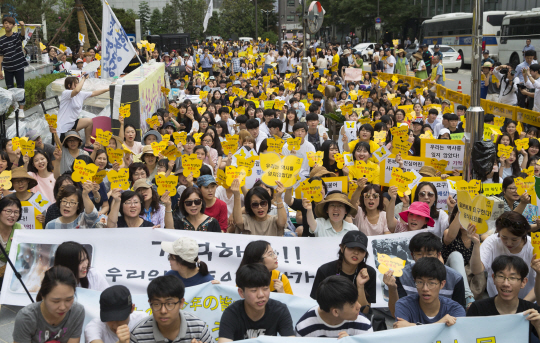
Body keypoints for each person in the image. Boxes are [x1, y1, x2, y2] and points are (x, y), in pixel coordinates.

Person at [384, 232, 466, 317]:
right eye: (419, 254)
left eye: (429, 254)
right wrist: (392, 288)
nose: (424, 258)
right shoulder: (402, 275)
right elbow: (397, 314)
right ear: (412, 256)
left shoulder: (455, 278)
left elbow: (459, 312)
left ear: (438, 254)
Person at [467, 255, 540, 342]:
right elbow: (466, 337)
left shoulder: (531, 311)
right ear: (493, 278)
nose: (506, 283)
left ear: (523, 282)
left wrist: (538, 326)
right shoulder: (478, 308)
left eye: (512, 278)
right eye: (501, 276)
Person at [217, 263, 294, 342]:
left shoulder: (279, 310)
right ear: (241, 292)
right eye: (254, 290)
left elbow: (291, 341)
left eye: (265, 288)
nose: (261, 295)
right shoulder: (232, 313)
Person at [470, 211, 536, 300]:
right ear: (498, 231)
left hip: (527, 302)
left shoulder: (533, 246)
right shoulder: (491, 242)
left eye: (514, 239)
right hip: (496, 301)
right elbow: (476, 270)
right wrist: (476, 245)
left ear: (523, 235)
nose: (509, 243)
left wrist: (522, 305)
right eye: (504, 237)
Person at [130, 275, 213, 343]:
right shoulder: (138, 334)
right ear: (150, 304)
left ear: (181, 303)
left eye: (169, 304)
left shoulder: (198, 328)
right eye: (157, 304)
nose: (163, 311)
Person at [13, 266, 85, 343]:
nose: (63, 307)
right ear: (43, 296)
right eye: (56, 301)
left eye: (69, 300)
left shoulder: (77, 312)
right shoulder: (26, 318)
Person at [393, 257, 466, 328]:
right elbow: (402, 335)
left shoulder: (455, 309)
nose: (425, 289)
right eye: (420, 282)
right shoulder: (404, 305)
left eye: (431, 283)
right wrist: (440, 324)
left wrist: (411, 326)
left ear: (442, 284)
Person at [310, 231, 376, 307]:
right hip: (329, 317)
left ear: (365, 253)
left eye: (361, 250)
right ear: (341, 248)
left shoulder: (369, 273)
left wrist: (360, 286)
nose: (356, 252)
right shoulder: (325, 270)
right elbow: (316, 306)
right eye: (351, 248)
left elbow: (365, 312)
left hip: (357, 317)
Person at [296, 275, 372, 337]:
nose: (359, 306)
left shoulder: (363, 324)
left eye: (356, 300)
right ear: (335, 312)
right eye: (352, 305)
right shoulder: (304, 328)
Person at [57, 76, 109, 149]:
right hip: (63, 127)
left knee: (89, 121)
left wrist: (108, 89)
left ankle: (88, 143)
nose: (78, 85)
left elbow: (94, 93)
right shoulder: (66, 93)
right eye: (76, 83)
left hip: (72, 123)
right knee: (61, 149)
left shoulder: (80, 94)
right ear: (69, 85)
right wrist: (83, 78)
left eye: (78, 83)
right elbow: (76, 90)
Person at [0, 17, 27, 119]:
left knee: (20, 87)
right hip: (7, 68)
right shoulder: (1, 40)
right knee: (10, 89)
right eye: (5, 23)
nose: (7, 25)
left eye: (9, 23)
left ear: (13, 25)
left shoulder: (17, 36)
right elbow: (1, 55)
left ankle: (21, 110)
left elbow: (23, 34)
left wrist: (22, 26)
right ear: (3, 25)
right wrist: (0, 69)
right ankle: (15, 109)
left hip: (19, 66)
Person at [0, 197, 23, 290]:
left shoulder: (20, 229)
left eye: (16, 212)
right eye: (8, 211)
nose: (12, 215)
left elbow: (27, 255)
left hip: (13, 277)